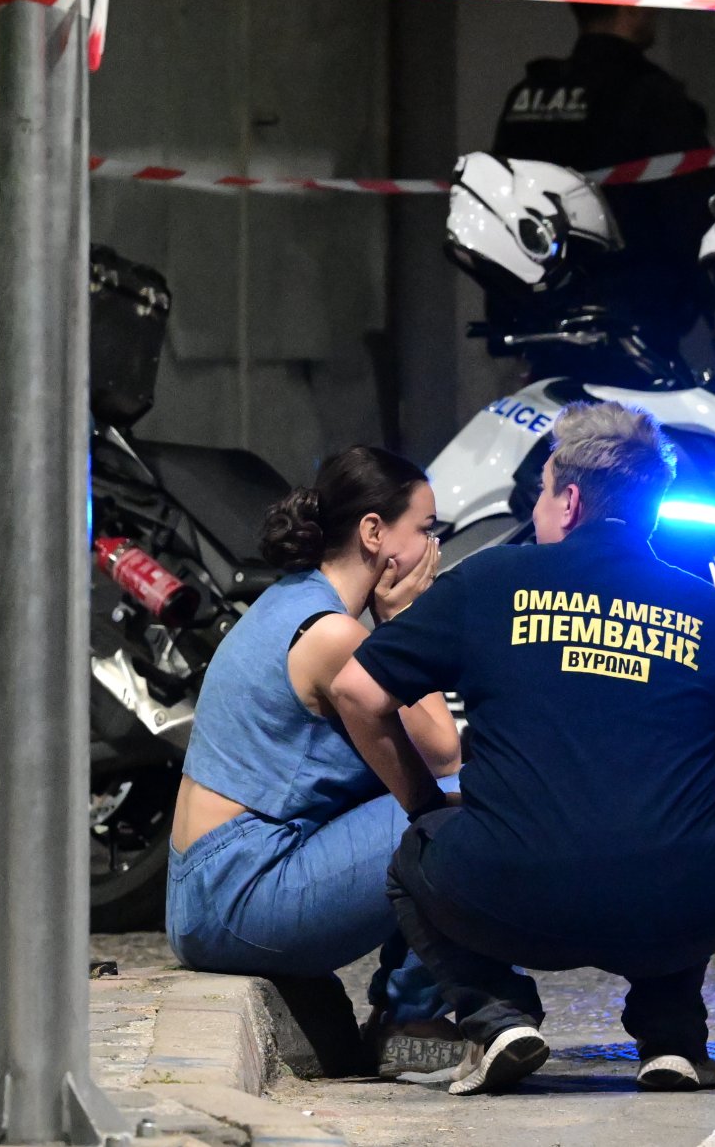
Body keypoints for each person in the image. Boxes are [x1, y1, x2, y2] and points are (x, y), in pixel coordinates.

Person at [334, 402, 715, 1096]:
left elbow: (355, 692)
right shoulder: (713, 612)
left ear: (569, 500)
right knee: (702, 844)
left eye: (541, 492)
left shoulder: (488, 581)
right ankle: (674, 1039)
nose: (538, 507)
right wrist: (648, 815)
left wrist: (424, 804)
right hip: (670, 911)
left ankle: (495, 1016)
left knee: (414, 857)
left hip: (512, 894)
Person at [167, 447, 463, 1079]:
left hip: (209, 888)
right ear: (374, 532)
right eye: (426, 529)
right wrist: (403, 620)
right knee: (472, 805)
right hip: (241, 890)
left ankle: (407, 1013)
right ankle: (409, 1019)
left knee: (419, 794)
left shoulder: (292, 601)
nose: (434, 550)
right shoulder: (332, 634)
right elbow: (443, 751)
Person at [491, 0, 715, 351]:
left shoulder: (529, 94)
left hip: (535, 320)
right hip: (630, 324)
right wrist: (701, 305)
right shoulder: (652, 97)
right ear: (631, 2)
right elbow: (690, 219)